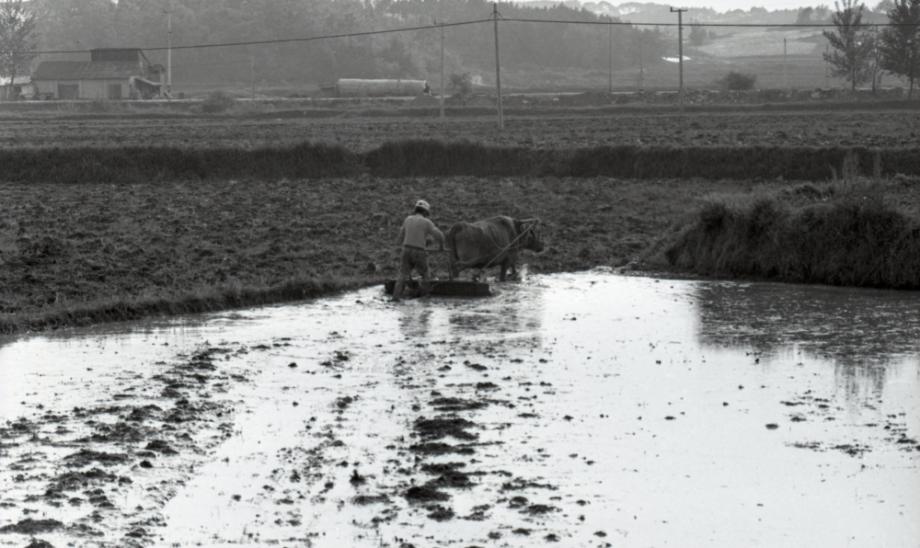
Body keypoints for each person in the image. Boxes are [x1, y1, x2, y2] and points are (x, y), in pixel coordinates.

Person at [393, 199, 445, 301]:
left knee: (402, 275)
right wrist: (441, 247)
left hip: (406, 249)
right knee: (425, 274)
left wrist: (400, 245)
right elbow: (440, 235)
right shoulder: (426, 222)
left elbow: (400, 236)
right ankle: (425, 299)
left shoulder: (407, 219)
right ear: (425, 212)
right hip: (419, 251)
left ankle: (395, 298)